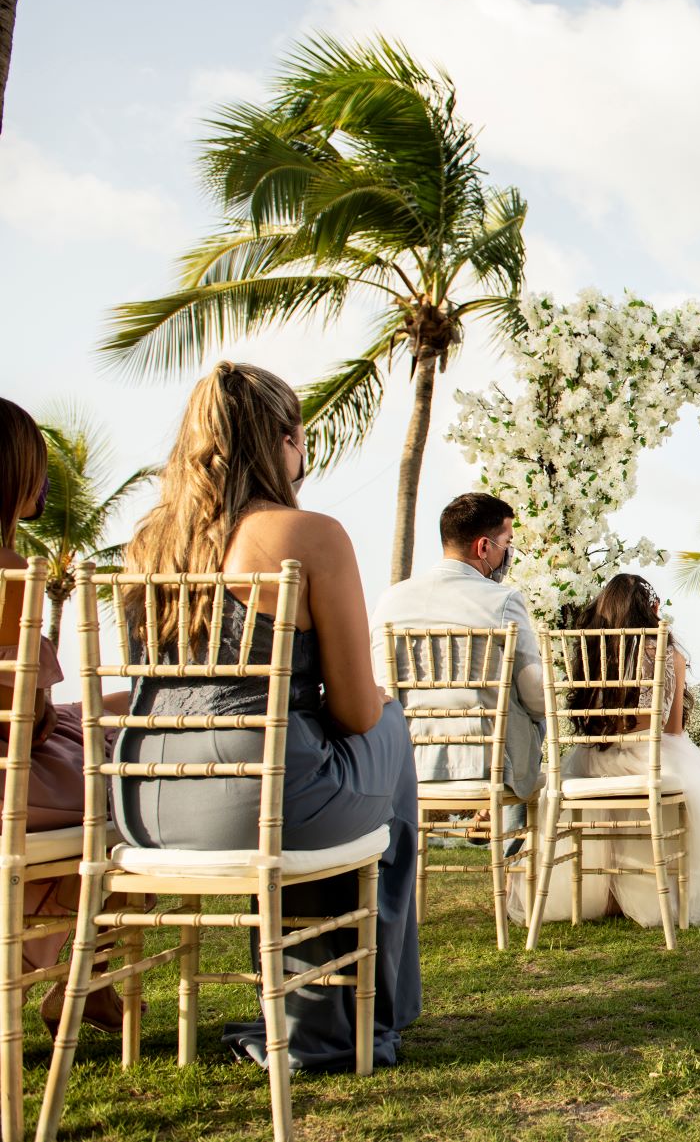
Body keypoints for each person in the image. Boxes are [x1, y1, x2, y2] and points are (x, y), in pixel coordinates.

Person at [111, 361, 419, 1070]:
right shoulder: (309, 535)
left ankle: (319, 1019)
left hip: (142, 800)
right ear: (285, 440)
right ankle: (356, 1014)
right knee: (387, 727)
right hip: (257, 801)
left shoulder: (147, 542)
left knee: (308, 766)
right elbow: (351, 708)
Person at [512, 574, 700, 926]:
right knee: (693, 786)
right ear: (650, 609)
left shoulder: (589, 647)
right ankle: (650, 887)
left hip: (592, 758)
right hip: (646, 760)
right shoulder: (665, 649)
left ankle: (604, 894)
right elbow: (674, 729)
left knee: (605, 799)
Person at [0, 398, 128, 1032]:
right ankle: (90, 969)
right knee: (139, 783)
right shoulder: (13, 578)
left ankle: (92, 971)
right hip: (11, 776)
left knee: (122, 712)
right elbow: (29, 719)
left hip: (18, 758)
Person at [370, 492, 546, 840]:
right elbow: (536, 697)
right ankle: (512, 857)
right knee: (538, 720)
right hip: (487, 765)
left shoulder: (391, 600)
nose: (508, 554)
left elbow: (381, 686)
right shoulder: (503, 600)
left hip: (407, 762)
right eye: (507, 543)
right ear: (484, 547)